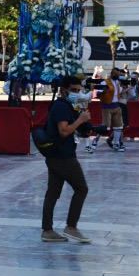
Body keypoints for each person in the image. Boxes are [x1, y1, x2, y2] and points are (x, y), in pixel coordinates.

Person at [41, 76, 91, 243]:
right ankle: (71, 227)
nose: (76, 93)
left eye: (78, 90)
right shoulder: (62, 107)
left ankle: (47, 230)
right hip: (64, 156)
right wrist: (81, 120)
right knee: (81, 188)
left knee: (53, 193)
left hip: (54, 155)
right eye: (73, 90)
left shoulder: (61, 105)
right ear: (64, 90)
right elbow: (64, 131)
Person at [90, 67, 126, 152]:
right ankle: (95, 141)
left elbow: (120, 92)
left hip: (116, 106)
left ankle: (116, 144)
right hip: (107, 106)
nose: (117, 76)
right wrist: (103, 92)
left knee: (118, 126)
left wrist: (130, 87)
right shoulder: (104, 82)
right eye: (115, 74)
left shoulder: (118, 83)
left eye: (118, 74)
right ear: (111, 73)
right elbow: (98, 93)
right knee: (105, 127)